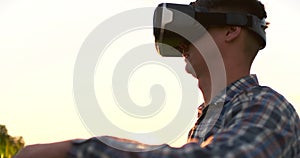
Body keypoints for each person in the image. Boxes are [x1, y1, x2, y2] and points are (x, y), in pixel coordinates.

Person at [14, 0, 300, 157]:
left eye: (194, 22)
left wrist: (74, 151)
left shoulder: (268, 107)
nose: (183, 40)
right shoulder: (211, 120)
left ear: (231, 30)